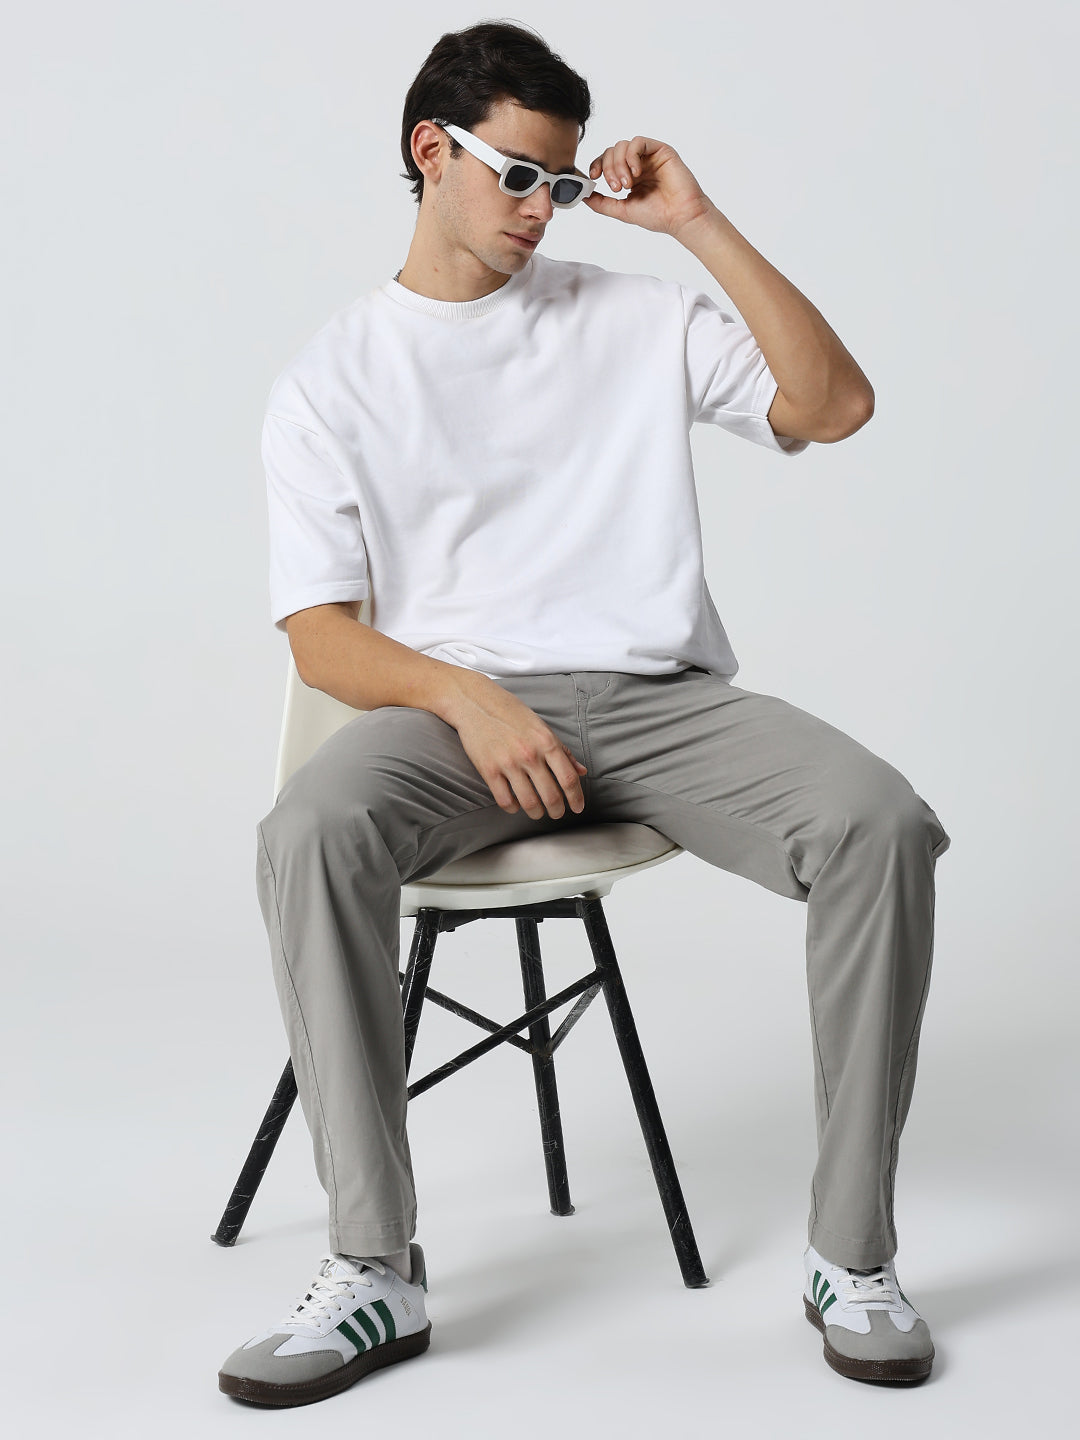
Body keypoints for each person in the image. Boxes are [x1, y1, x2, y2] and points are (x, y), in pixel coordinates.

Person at [217, 19, 951, 1407]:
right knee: (310, 826)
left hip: (660, 702)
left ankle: (850, 1255)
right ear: (430, 152)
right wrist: (466, 700)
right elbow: (321, 639)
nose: (541, 211)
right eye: (517, 176)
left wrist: (696, 222)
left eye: (560, 184)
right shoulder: (333, 374)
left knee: (881, 824)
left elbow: (836, 404)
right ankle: (374, 1266)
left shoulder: (631, 314)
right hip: (456, 718)